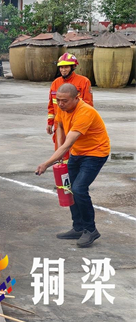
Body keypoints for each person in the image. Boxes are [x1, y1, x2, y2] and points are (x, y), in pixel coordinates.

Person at [36, 83, 110, 248]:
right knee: (68, 188)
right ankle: (78, 227)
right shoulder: (63, 109)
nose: (61, 104)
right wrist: (60, 151)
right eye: (58, 100)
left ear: (77, 98)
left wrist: (47, 163)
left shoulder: (85, 112)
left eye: (65, 101)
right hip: (78, 152)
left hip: (95, 153)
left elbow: (68, 144)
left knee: (79, 189)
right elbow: (60, 126)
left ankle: (90, 230)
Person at [47, 53, 93, 159]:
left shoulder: (83, 82)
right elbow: (51, 105)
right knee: (60, 156)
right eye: (61, 67)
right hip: (60, 126)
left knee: (75, 156)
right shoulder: (55, 83)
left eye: (66, 67)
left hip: (75, 125)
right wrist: (50, 123)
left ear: (73, 67)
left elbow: (88, 106)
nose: (63, 70)